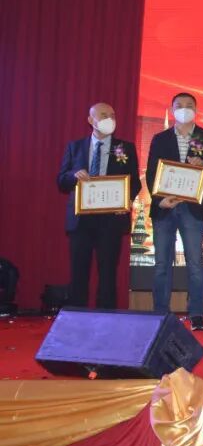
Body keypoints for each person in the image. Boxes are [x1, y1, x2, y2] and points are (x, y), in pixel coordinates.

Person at [57, 102, 141, 309]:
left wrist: (127, 200)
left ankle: (107, 316)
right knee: (79, 271)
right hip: (81, 219)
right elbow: (61, 180)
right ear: (90, 120)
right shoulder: (75, 147)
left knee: (108, 273)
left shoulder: (125, 148)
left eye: (112, 115)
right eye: (103, 115)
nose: (109, 119)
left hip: (111, 220)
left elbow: (135, 182)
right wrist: (73, 176)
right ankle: (77, 315)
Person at [146, 92, 203, 330]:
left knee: (195, 263)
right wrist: (159, 200)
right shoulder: (160, 138)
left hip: (193, 208)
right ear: (172, 109)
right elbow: (151, 172)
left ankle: (196, 314)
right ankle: (160, 314)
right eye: (180, 105)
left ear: (196, 110)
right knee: (161, 264)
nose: (184, 108)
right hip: (165, 207)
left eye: (189, 105)